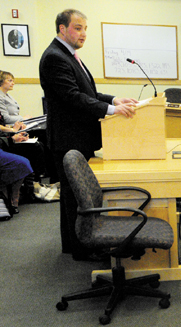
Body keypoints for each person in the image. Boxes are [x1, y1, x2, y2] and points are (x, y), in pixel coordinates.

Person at [39, 9, 137, 261]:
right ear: (62, 28)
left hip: (77, 137)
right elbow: (73, 97)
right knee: (75, 198)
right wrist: (113, 109)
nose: (83, 34)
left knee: (75, 196)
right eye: (78, 28)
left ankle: (75, 245)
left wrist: (114, 98)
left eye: (85, 29)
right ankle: (82, 249)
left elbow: (88, 92)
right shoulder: (54, 57)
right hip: (68, 139)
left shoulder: (68, 55)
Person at [0, 149, 32, 217]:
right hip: (22, 163)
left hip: (18, 165)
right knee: (15, 189)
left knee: (2, 184)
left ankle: (8, 205)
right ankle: (13, 205)